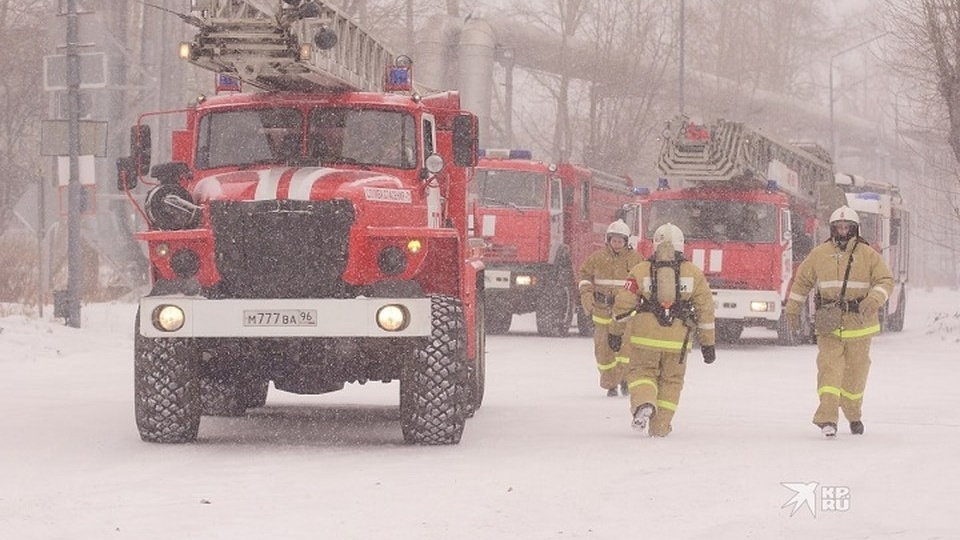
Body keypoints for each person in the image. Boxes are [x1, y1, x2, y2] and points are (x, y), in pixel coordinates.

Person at [784, 206, 893, 438]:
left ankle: (853, 414)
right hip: (829, 325)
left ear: (855, 229)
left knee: (855, 376)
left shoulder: (869, 254)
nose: (843, 231)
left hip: (860, 326)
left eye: (847, 227)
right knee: (829, 372)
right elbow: (802, 281)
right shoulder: (819, 254)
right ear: (832, 229)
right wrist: (792, 308)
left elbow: (885, 280)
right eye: (839, 227)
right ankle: (827, 419)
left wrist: (875, 298)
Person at [610, 223, 716, 436]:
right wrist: (708, 344)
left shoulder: (639, 270)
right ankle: (660, 427)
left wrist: (615, 332)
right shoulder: (694, 274)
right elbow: (706, 311)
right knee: (672, 381)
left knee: (641, 373)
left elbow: (623, 304)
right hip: (677, 341)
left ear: (655, 244)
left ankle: (644, 403)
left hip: (644, 338)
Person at [578, 220, 643, 397]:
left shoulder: (637, 259)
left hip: (626, 315)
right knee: (603, 350)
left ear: (626, 241)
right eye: (613, 240)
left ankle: (625, 380)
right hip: (602, 312)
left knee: (626, 349)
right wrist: (586, 292)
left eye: (620, 241)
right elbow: (584, 275)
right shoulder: (597, 258)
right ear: (608, 240)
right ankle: (610, 383)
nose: (616, 244)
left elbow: (644, 282)